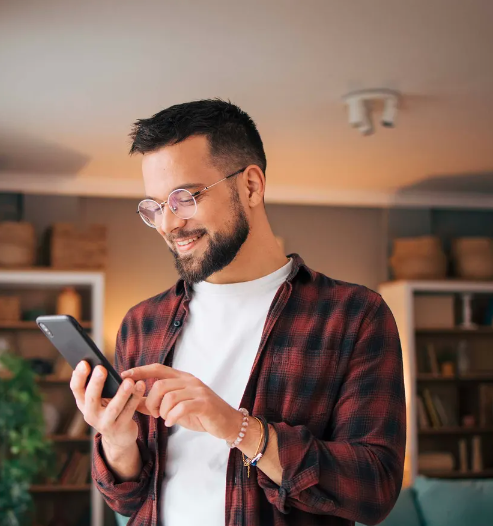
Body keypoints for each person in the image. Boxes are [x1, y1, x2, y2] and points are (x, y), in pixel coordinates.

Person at [69, 99, 406, 526]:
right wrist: (117, 441)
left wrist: (236, 427)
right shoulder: (141, 324)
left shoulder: (354, 316)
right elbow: (129, 500)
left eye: (184, 198)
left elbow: (374, 488)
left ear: (250, 186)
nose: (169, 225)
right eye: (155, 207)